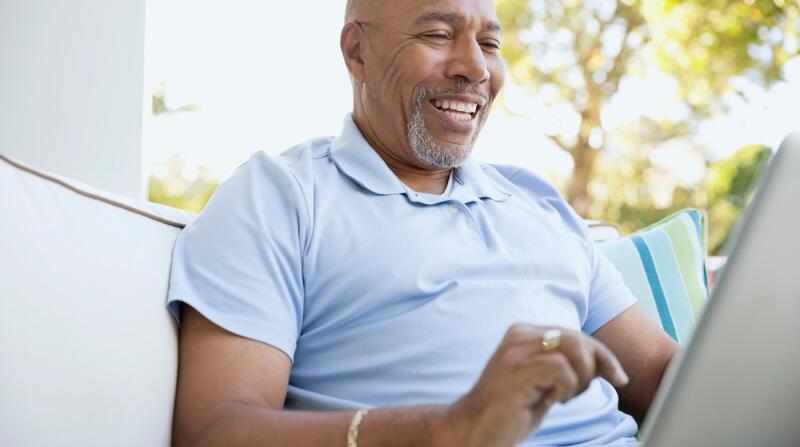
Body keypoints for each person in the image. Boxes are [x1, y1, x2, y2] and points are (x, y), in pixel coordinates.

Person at [167, 0, 678, 445]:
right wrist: (449, 430)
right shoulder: (279, 195)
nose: (475, 67)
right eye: (437, 35)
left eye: (490, 43)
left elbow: (660, 373)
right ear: (356, 52)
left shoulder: (535, 200)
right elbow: (213, 431)